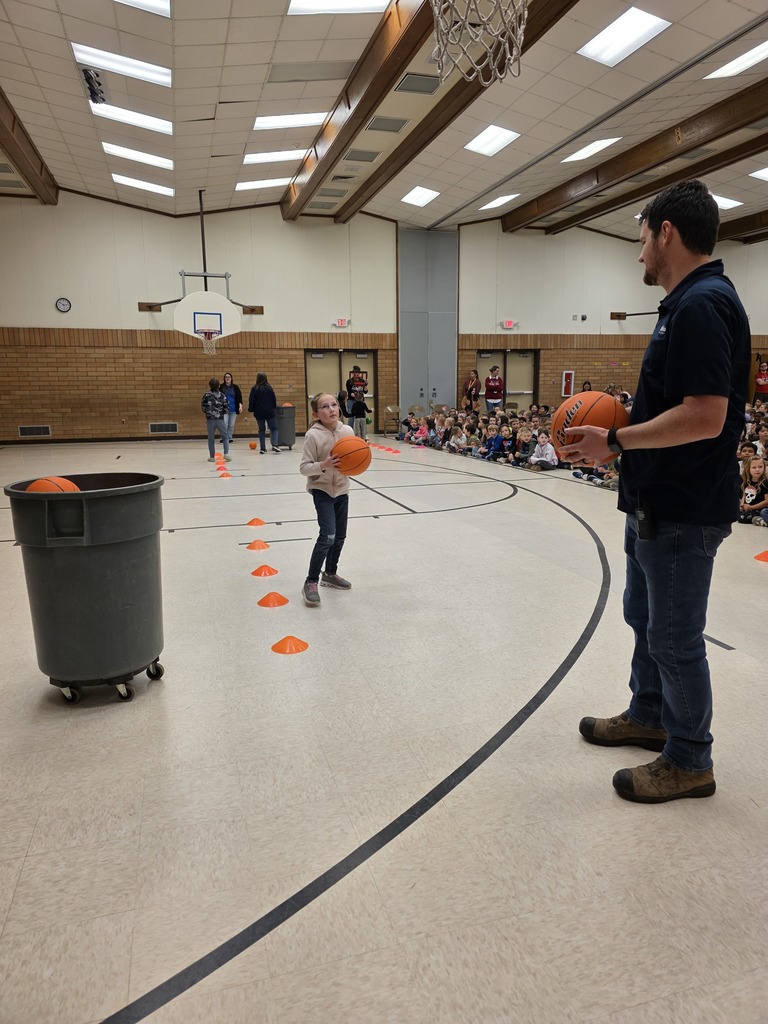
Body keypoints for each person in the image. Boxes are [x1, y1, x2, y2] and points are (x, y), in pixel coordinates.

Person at [560, 179, 751, 804]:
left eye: (641, 237)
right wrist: (620, 424)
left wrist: (616, 443)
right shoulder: (684, 304)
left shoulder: (701, 305)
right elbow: (677, 406)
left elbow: (706, 415)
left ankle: (691, 758)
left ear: (665, 231)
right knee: (643, 619)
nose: (638, 252)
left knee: (674, 636)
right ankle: (649, 714)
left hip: (684, 508)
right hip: (654, 500)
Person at [299, 394, 354, 607]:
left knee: (340, 536)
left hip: (342, 489)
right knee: (328, 536)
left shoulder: (347, 431)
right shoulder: (312, 436)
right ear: (315, 414)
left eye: (334, 405)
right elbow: (304, 468)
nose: (331, 409)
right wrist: (324, 465)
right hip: (321, 490)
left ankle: (330, 574)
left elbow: (353, 459)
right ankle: (311, 580)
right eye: (324, 406)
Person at [247, 372, 280, 453]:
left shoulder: (254, 388)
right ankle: (275, 444)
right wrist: (273, 408)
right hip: (269, 411)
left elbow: (252, 401)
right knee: (274, 428)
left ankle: (263, 448)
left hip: (259, 412)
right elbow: (273, 399)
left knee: (261, 429)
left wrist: (251, 409)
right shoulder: (269, 388)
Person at [201, 377, 231, 462]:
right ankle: (226, 454)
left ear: (210, 385)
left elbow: (203, 406)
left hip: (210, 419)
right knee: (225, 437)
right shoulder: (222, 395)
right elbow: (226, 407)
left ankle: (212, 457)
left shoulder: (206, 395)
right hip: (220, 419)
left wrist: (208, 413)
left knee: (211, 438)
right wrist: (222, 413)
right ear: (218, 385)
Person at [738, 456, 768, 526]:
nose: (757, 470)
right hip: (749, 509)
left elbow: (767, 501)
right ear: (748, 469)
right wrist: (742, 505)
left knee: (763, 512)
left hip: (759, 509)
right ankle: (759, 520)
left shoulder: (765, 482)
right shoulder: (747, 482)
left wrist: (752, 507)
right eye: (754, 467)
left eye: (760, 467)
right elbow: (744, 495)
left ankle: (762, 521)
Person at [220, 371, 243, 443]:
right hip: (224, 409)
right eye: (226, 377)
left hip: (233, 408)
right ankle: (223, 437)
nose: (227, 378)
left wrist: (240, 406)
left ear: (231, 378)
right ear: (224, 378)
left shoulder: (235, 387)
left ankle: (230, 437)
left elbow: (239, 397)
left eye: (229, 377)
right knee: (224, 424)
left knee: (231, 425)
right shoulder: (221, 387)